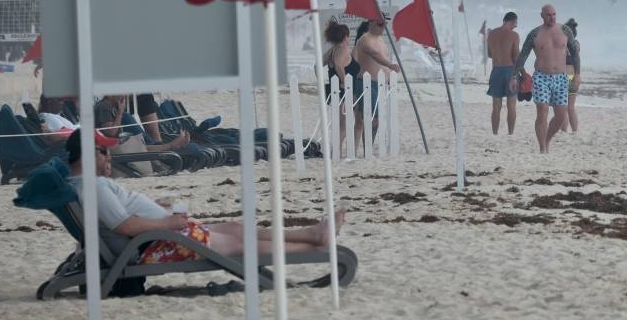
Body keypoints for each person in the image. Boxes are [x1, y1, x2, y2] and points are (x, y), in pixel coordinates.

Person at [64, 128, 344, 263]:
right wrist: (166, 224)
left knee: (237, 228)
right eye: (104, 151)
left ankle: (313, 234)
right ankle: (315, 251)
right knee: (240, 243)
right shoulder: (94, 187)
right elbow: (123, 226)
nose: (109, 156)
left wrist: (156, 208)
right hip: (158, 244)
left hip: (161, 237)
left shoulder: (90, 185)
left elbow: (123, 219)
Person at [513, 3, 580, 154]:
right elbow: (523, 55)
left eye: (554, 14)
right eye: (549, 15)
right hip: (541, 77)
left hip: (562, 78)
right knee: (542, 110)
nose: (552, 17)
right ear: (542, 16)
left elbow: (575, 54)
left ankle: (547, 139)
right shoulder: (535, 34)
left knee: (561, 115)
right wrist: (514, 75)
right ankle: (542, 147)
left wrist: (577, 75)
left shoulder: (565, 30)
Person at [352, 18, 401, 152]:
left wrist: (390, 72)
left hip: (380, 84)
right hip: (365, 83)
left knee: (370, 119)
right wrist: (390, 65)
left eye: (384, 24)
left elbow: (384, 57)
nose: (383, 26)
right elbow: (375, 55)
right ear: (371, 23)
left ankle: (367, 148)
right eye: (380, 24)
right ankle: (366, 149)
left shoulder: (382, 40)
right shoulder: (364, 39)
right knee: (370, 118)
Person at [323, 19, 358, 154]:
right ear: (345, 36)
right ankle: (336, 151)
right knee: (344, 123)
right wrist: (345, 82)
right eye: (348, 36)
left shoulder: (332, 50)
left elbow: (317, 65)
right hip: (344, 91)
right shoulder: (343, 49)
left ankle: (336, 150)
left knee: (341, 122)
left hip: (334, 89)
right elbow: (338, 65)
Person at [485, 12, 521, 135]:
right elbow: (516, 57)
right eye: (515, 24)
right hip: (510, 71)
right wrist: (522, 73)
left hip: (496, 70)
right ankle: (510, 133)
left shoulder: (491, 34)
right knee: (511, 106)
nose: (515, 27)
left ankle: (495, 133)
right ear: (510, 21)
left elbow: (489, 54)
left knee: (496, 107)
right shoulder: (514, 35)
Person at [561, 18, 581, 134]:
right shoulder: (577, 44)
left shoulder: (562, 44)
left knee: (563, 107)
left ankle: (564, 131)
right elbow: (576, 59)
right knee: (571, 107)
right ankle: (574, 131)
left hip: (564, 76)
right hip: (574, 75)